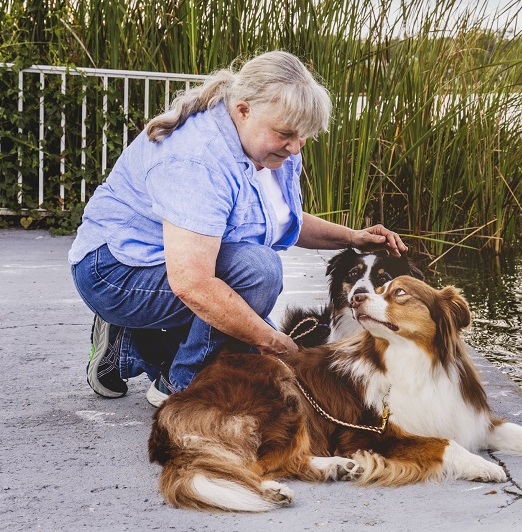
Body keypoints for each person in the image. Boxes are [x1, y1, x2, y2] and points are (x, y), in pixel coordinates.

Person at [68, 50, 406, 407]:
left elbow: (283, 221)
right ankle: (181, 383)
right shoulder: (197, 158)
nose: (295, 148)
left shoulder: (271, 146)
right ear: (244, 110)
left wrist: (353, 237)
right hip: (113, 272)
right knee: (258, 276)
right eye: (286, 135)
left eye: (303, 137)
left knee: (252, 328)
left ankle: (131, 341)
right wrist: (273, 342)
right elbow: (192, 283)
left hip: (169, 264)